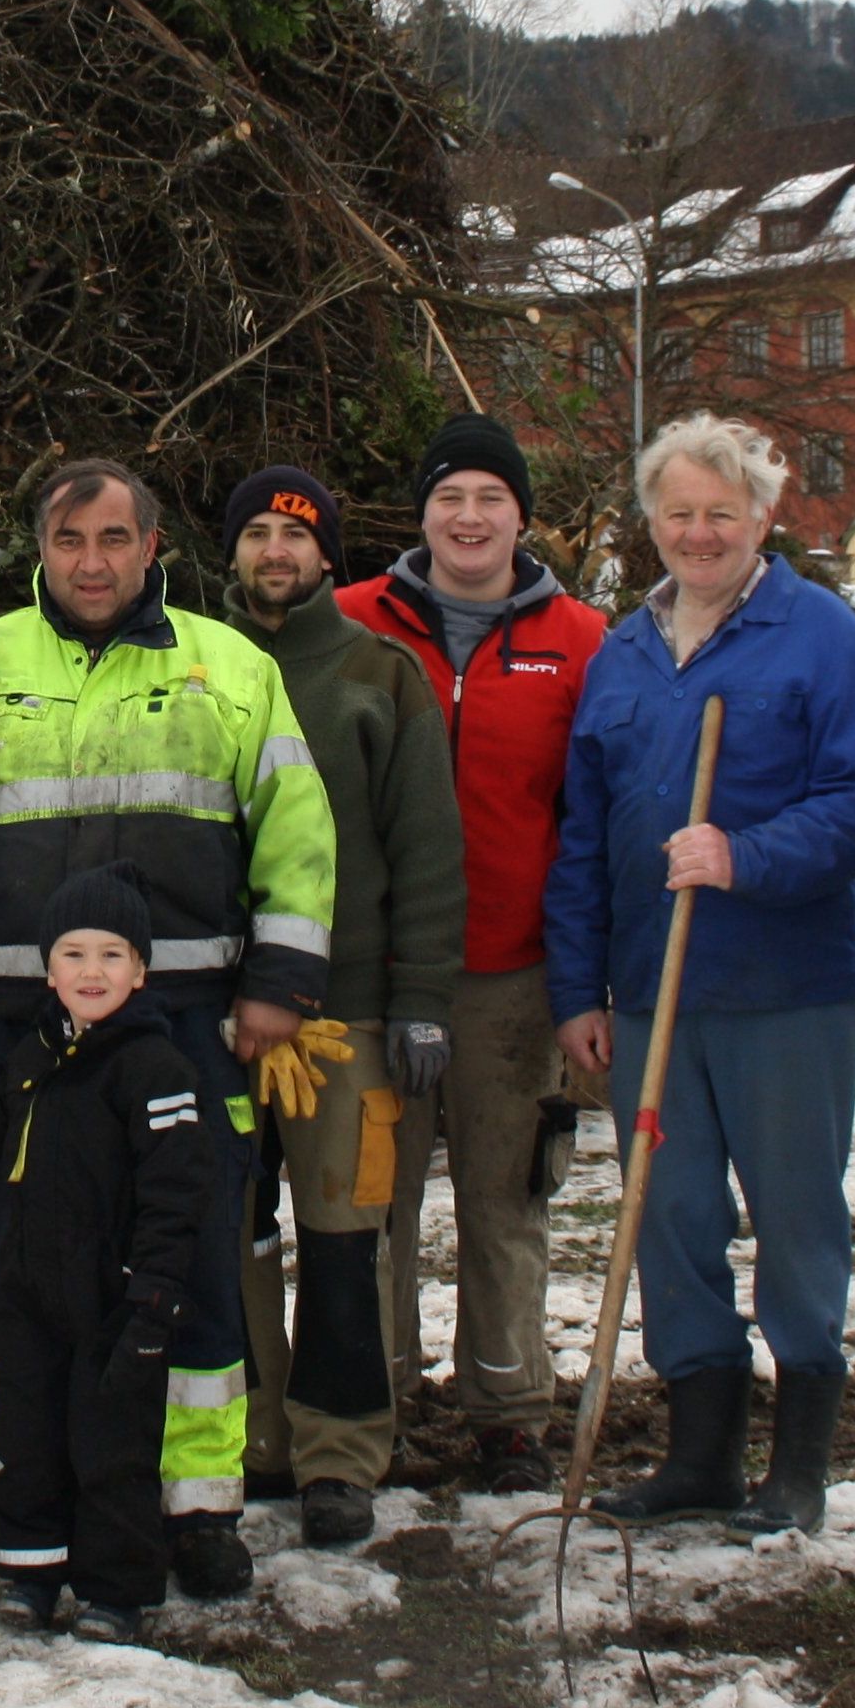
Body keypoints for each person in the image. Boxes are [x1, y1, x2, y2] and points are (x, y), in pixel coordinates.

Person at [0, 458, 337, 1601]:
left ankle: (192, 1506)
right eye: (68, 538)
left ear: (152, 550)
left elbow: (293, 826)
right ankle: (9, 1487)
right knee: (11, 1275)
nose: (90, 561)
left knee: (183, 1265)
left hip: (181, 1028)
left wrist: (279, 978)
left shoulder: (224, 668)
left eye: (112, 538)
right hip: (16, 1041)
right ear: (39, 547)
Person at [542, 412, 855, 1533]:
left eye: (719, 512)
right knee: (671, 1216)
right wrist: (577, 992)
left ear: (762, 515)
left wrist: (744, 857)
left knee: (794, 1217)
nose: (697, 534)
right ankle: (697, 1454)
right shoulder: (624, 650)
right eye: (676, 514)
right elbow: (583, 837)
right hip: (653, 993)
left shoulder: (818, 635)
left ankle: (794, 1470)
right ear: (647, 521)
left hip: (783, 989)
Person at [339, 413, 606, 1496]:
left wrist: (586, 966)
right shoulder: (352, 621)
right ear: (420, 514)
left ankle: (506, 1407)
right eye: (449, 497)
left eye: (489, 499)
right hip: (374, 970)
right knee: (373, 1203)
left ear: (520, 518)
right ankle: (377, 1399)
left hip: (509, 972)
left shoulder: (581, 640)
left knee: (506, 1201)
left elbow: (590, 814)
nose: (467, 518)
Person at [216, 466, 468, 1548]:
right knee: (227, 1239)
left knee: (339, 1234)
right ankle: (250, 1437)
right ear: (229, 550)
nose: (276, 551)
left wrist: (417, 999)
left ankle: (338, 1452)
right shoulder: (189, 664)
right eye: (257, 532)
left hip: (348, 1014)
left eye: (296, 536)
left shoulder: (380, 675)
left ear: (326, 557)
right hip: (211, 1014)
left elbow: (424, 847)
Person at [0, 864, 214, 1645]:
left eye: (112, 955)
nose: (92, 972)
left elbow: (178, 1189)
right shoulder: (33, 1058)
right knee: (28, 1433)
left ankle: (114, 1589)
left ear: (141, 970)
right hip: (30, 1283)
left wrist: (157, 1291)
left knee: (111, 1444)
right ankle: (31, 1574)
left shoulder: (156, 1067)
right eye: (74, 954)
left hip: (116, 1292)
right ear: (48, 968)